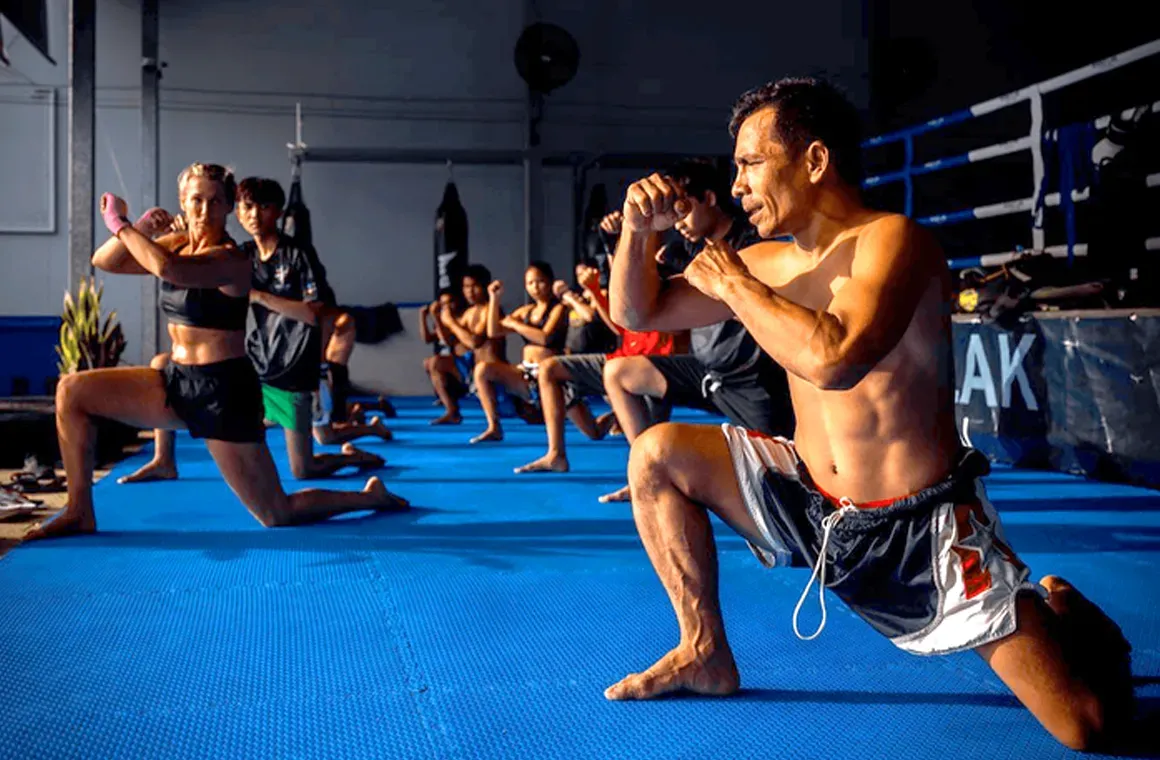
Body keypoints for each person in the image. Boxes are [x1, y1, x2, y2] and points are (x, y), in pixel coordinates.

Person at [601, 79, 1132, 753]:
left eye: (751, 162)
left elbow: (835, 359)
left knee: (1088, 727)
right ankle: (703, 649)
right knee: (656, 454)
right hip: (810, 499)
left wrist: (733, 283)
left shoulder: (893, 242)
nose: (736, 184)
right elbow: (638, 313)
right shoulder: (766, 260)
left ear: (815, 161)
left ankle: (1078, 625)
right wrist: (638, 235)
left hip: (918, 529)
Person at [26, 163, 407, 542]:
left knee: (277, 513)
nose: (204, 211)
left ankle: (368, 496)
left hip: (223, 393)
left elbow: (168, 269)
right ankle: (79, 510)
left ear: (228, 208)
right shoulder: (176, 242)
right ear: (182, 202)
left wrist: (118, 221)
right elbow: (105, 261)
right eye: (195, 200)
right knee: (72, 390)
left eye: (214, 201)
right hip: (176, 384)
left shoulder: (232, 259)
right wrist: (142, 226)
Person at [119, 177, 389, 484]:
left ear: (278, 212)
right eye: (247, 206)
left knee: (306, 466)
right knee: (163, 363)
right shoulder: (240, 253)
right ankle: (163, 459)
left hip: (294, 373)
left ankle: (355, 455)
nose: (254, 214)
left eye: (264, 207)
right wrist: (183, 234)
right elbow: (198, 262)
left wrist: (259, 296)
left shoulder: (298, 254)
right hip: (255, 368)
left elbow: (314, 314)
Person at [598, 158, 794, 502]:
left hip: (752, 382)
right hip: (705, 372)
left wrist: (734, 293)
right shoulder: (686, 249)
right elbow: (633, 309)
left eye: (685, 209)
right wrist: (636, 230)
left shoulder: (754, 244)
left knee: (783, 487)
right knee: (618, 372)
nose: (679, 222)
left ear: (709, 198)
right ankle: (643, 474)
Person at [513, 245, 677, 475]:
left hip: (652, 368)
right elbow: (618, 327)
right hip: (616, 361)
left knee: (650, 447)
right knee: (549, 368)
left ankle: (645, 474)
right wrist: (593, 288)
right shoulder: (629, 289)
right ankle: (555, 455)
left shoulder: (669, 289)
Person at [470, 261, 567, 444]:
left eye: (540, 281)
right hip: (526, 374)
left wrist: (515, 324)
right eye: (530, 283)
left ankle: (612, 418)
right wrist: (494, 300)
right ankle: (494, 427)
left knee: (593, 431)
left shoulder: (558, 308)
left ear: (550, 282)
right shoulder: (527, 311)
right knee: (482, 370)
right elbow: (494, 331)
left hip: (551, 375)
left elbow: (544, 338)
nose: (535, 287)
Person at [427, 264, 500, 425]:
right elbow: (448, 341)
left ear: (486, 287)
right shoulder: (469, 312)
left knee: (531, 416)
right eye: (466, 287)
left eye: (475, 286)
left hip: (493, 371)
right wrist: (438, 318)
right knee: (435, 363)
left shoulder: (491, 310)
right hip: (472, 370)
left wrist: (451, 322)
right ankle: (452, 412)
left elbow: (475, 342)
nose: (470, 291)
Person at [419, 287, 469, 417]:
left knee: (436, 362)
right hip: (458, 364)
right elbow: (428, 339)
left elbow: (447, 341)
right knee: (427, 362)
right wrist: (423, 317)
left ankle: (452, 410)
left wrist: (436, 317)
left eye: (450, 302)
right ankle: (446, 397)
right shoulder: (446, 320)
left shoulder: (462, 317)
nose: (447, 307)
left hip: (468, 361)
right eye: (444, 304)